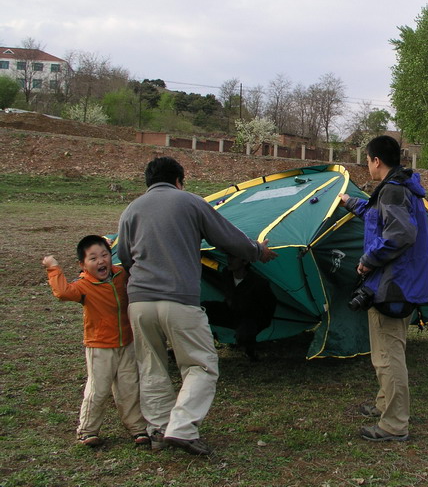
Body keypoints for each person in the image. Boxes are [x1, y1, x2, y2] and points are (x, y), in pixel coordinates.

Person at [116, 156, 277, 455]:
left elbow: (125, 258)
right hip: (178, 300)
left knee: (151, 366)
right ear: (179, 180)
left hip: (139, 302)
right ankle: (183, 427)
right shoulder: (190, 202)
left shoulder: (131, 210)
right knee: (201, 363)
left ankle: (159, 431)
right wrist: (258, 250)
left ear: (148, 182)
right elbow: (230, 239)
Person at [338, 135, 428, 442]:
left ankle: (394, 425)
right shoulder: (401, 187)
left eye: (367, 159)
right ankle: (383, 405)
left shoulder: (391, 190)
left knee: (387, 356)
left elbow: (400, 234)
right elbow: (378, 219)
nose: (367, 165)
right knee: (390, 349)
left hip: (393, 285)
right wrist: (351, 203)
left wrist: (368, 259)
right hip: (404, 282)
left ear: (377, 160)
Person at [42, 235, 149, 448]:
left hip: (126, 343)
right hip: (99, 346)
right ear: (82, 265)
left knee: (129, 387)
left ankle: (138, 428)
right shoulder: (83, 286)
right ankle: (88, 431)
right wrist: (53, 267)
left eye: (104, 255)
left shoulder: (121, 275)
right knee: (98, 389)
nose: (101, 261)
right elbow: (62, 292)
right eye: (93, 258)